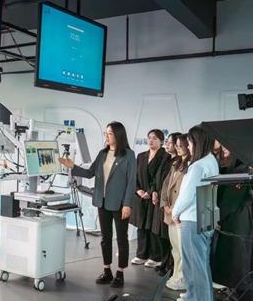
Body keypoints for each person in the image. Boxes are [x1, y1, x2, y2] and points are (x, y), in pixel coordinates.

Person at [59, 122, 136, 288]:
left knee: (121, 239)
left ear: (118, 135)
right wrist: (73, 166)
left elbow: (131, 182)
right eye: (105, 133)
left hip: (120, 203)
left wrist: (127, 204)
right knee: (105, 238)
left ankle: (120, 273)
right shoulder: (102, 153)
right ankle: (107, 271)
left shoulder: (129, 155)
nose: (106, 136)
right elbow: (89, 173)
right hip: (102, 201)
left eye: (109, 133)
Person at [212, 146, 253, 301]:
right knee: (240, 267)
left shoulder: (243, 170)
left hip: (239, 223)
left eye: (228, 146)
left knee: (242, 267)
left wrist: (218, 219)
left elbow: (229, 202)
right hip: (242, 222)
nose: (224, 149)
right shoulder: (243, 168)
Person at [172, 126, 219, 301]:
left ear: (197, 142)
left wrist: (174, 213)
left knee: (195, 266)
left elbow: (187, 195)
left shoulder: (198, 166)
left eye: (190, 142)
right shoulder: (211, 161)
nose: (188, 146)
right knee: (200, 265)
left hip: (193, 218)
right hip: (205, 215)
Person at [130, 129, 170, 268]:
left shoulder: (165, 157)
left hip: (155, 196)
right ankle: (141, 254)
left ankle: (155, 256)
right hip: (141, 197)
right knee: (141, 226)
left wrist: (151, 191)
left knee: (154, 228)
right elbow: (134, 176)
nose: (151, 140)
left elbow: (161, 178)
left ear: (161, 141)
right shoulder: (141, 156)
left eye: (154, 138)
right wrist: (138, 190)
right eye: (149, 138)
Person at [160, 133, 189, 291]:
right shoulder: (175, 164)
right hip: (170, 212)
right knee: (176, 249)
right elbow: (166, 185)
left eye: (180, 145)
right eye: (176, 145)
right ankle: (176, 274)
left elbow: (186, 192)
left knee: (183, 250)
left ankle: (182, 278)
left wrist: (175, 208)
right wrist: (165, 204)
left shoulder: (191, 166)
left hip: (181, 214)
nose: (178, 148)